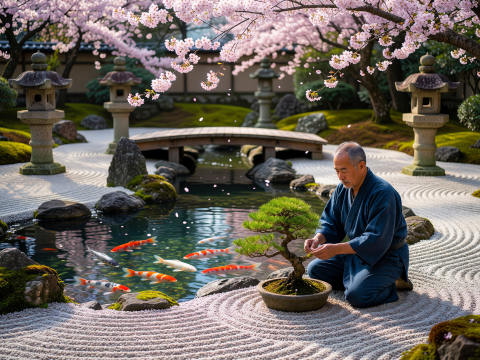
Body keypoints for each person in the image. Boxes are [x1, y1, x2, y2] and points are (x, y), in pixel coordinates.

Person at [305, 141, 412, 308]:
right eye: (337, 171)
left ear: (361, 166)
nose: (340, 177)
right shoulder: (343, 188)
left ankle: (395, 282)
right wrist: (318, 239)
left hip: (386, 256)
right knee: (315, 269)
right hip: (356, 252)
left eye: (344, 171)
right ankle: (357, 277)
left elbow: (375, 239)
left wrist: (337, 249)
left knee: (357, 295)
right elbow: (331, 221)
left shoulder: (383, 193)